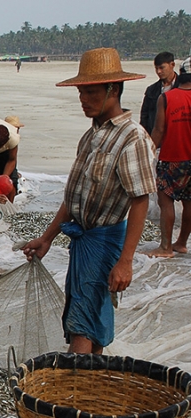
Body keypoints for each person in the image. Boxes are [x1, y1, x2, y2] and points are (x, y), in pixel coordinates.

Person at [22, 48, 156, 355]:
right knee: (88, 314)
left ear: (114, 90)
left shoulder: (132, 138)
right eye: (81, 92)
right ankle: (89, 385)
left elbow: (140, 201)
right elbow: (74, 197)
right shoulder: (92, 136)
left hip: (105, 240)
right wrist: (47, 237)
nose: (83, 99)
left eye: (91, 92)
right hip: (83, 240)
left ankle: (73, 389)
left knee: (82, 320)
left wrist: (126, 261)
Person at [147, 57, 191, 257]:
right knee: (189, 202)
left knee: (166, 202)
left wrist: (147, 154)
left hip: (171, 158)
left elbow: (158, 130)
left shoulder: (166, 98)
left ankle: (165, 247)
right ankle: (181, 243)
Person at [139, 51, 178, 135]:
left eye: (161, 68)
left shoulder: (183, 88)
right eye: (156, 68)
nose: (158, 71)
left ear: (172, 65)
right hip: (156, 137)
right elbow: (144, 117)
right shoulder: (151, 90)